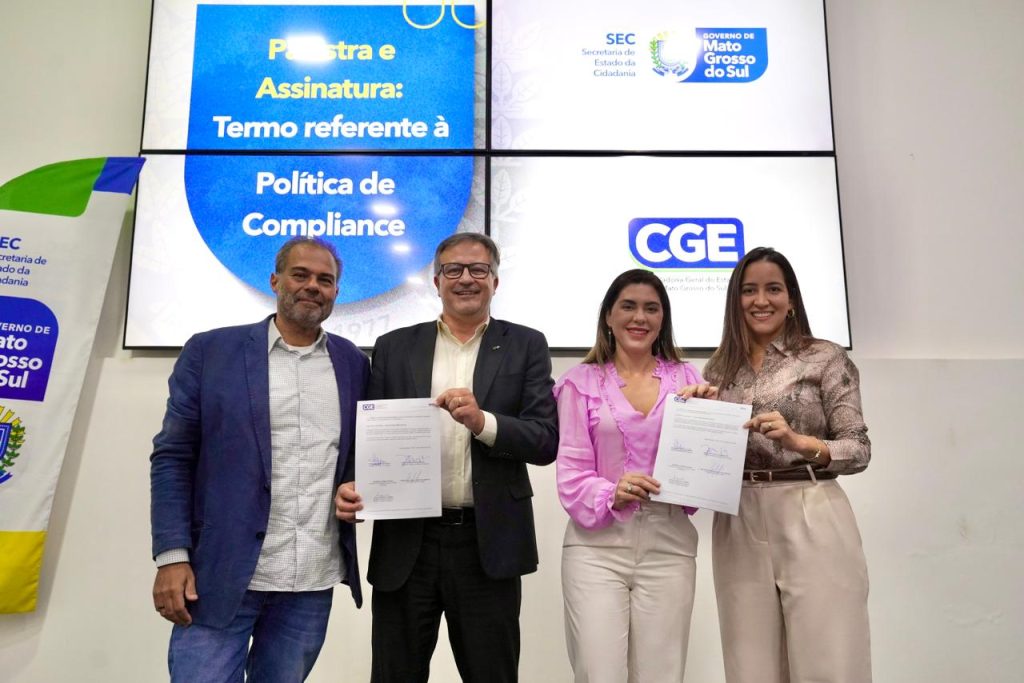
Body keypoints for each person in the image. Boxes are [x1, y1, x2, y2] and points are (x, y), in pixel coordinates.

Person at [335, 232, 558, 683]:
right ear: (436, 281)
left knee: (491, 674)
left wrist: (483, 423)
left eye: (478, 269)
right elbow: (369, 434)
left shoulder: (526, 345)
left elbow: (544, 440)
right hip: (407, 544)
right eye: (453, 270)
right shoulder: (395, 346)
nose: (466, 279)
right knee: (395, 674)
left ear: (495, 281)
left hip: (487, 544)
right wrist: (353, 483)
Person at [149, 237, 369, 682]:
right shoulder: (211, 352)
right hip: (220, 575)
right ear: (275, 280)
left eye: (325, 280)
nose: (313, 286)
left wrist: (356, 487)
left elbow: (356, 457)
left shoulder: (353, 362)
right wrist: (171, 556)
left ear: (336, 292)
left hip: (310, 579)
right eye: (300, 275)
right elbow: (172, 456)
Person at [703, 247, 872, 683]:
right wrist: (693, 414)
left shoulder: (825, 357)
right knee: (749, 665)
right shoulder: (719, 368)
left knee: (828, 658)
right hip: (737, 514)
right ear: (735, 301)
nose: (761, 300)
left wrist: (800, 442)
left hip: (810, 504)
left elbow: (858, 448)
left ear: (791, 298)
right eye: (749, 290)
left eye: (773, 289)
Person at [554, 269, 711, 683]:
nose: (639, 317)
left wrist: (712, 412)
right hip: (596, 549)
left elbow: (712, 464)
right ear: (608, 316)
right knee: (598, 672)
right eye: (628, 306)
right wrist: (612, 491)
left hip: (670, 544)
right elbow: (571, 474)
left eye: (651, 308)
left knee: (662, 675)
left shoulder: (692, 381)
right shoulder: (578, 383)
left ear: (663, 318)